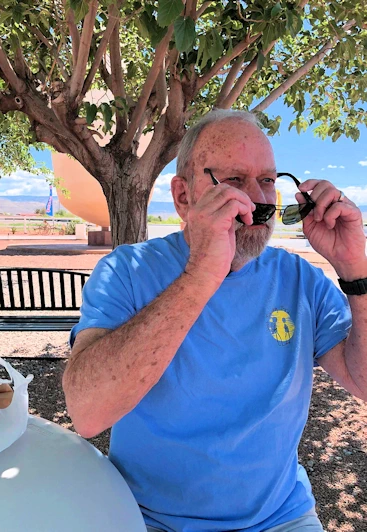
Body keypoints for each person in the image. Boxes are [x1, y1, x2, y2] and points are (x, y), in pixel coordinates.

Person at [63, 110, 367, 532]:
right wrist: (203, 272)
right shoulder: (126, 271)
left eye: (267, 180)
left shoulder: (300, 280)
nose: (259, 201)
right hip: (147, 518)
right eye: (234, 181)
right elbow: (87, 411)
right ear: (183, 197)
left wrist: (356, 270)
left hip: (280, 518)